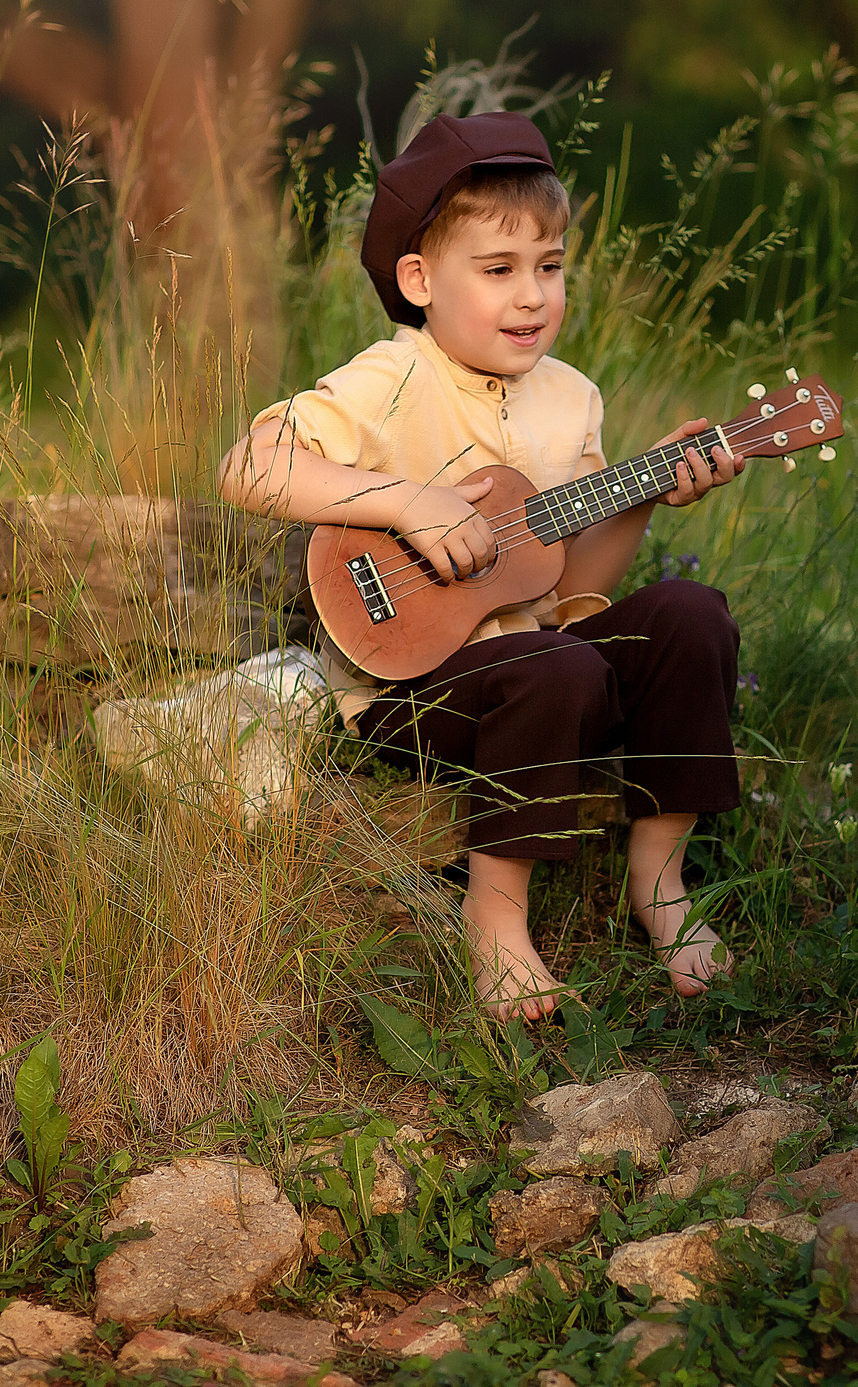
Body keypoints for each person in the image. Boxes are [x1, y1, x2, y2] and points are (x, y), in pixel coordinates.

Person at [218, 111, 746, 1021]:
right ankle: (495, 917)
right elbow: (248, 468)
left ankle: (660, 881)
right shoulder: (391, 378)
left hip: (550, 677)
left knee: (691, 614)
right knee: (553, 665)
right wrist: (406, 501)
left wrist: (645, 493)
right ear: (419, 280)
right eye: (499, 270)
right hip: (412, 687)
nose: (532, 296)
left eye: (550, 266)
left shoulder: (572, 397)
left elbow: (572, 591)